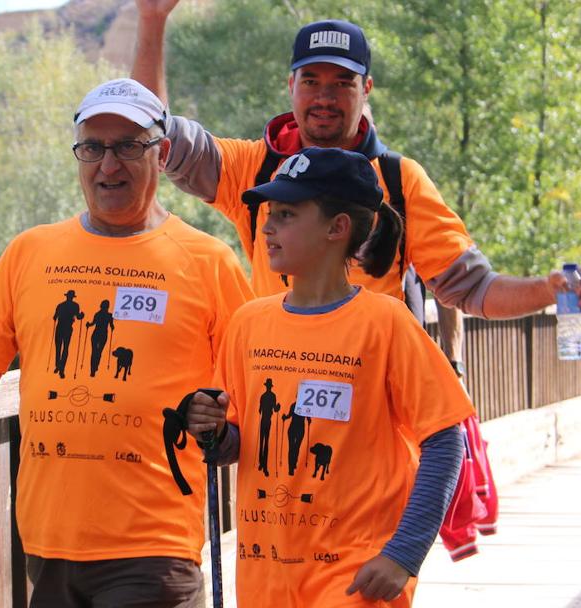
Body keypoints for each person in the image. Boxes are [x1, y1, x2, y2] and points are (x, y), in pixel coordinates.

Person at [0, 77, 253, 607]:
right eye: (93, 147)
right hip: (47, 546)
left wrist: (223, 433)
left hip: (154, 549)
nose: (108, 165)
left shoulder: (208, 262)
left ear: (163, 154)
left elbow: (254, 391)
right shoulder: (30, 253)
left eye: (129, 146)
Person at [131, 1, 581, 319]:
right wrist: (152, 20)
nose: (325, 97)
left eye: (342, 83)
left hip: (370, 412)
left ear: (366, 89)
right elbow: (152, 133)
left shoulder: (398, 181)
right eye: (311, 81)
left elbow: (472, 289)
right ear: (289, 85)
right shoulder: (253, 169)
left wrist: (547, 290)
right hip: (273, 400)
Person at [186, 146, 474, 606]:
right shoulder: (248, 323)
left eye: (286, 214)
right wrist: (213, 431)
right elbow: (239, 443)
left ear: (337, 229)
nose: (267, 226)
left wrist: (404, 554)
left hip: (354, 576)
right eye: (268, 213)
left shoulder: (387, 323)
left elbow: (445, 439)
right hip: (266, 577)